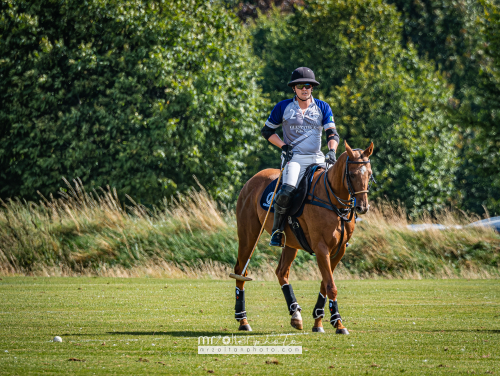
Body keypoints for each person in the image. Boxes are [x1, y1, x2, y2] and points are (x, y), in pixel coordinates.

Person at [261, 67, 340, 247]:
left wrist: (332, 151)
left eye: (308, 85)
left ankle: (341, 228)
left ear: (312, 88)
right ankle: (278, 230)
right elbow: (267, 131)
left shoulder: (322, 107)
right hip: (294, 158)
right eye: (300, 85)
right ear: (294, 88)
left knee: (339, 185)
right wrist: (284, 146)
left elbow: (332, 133)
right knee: (287, 190)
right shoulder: (283, 107)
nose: (304, 88)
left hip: (318, 158)